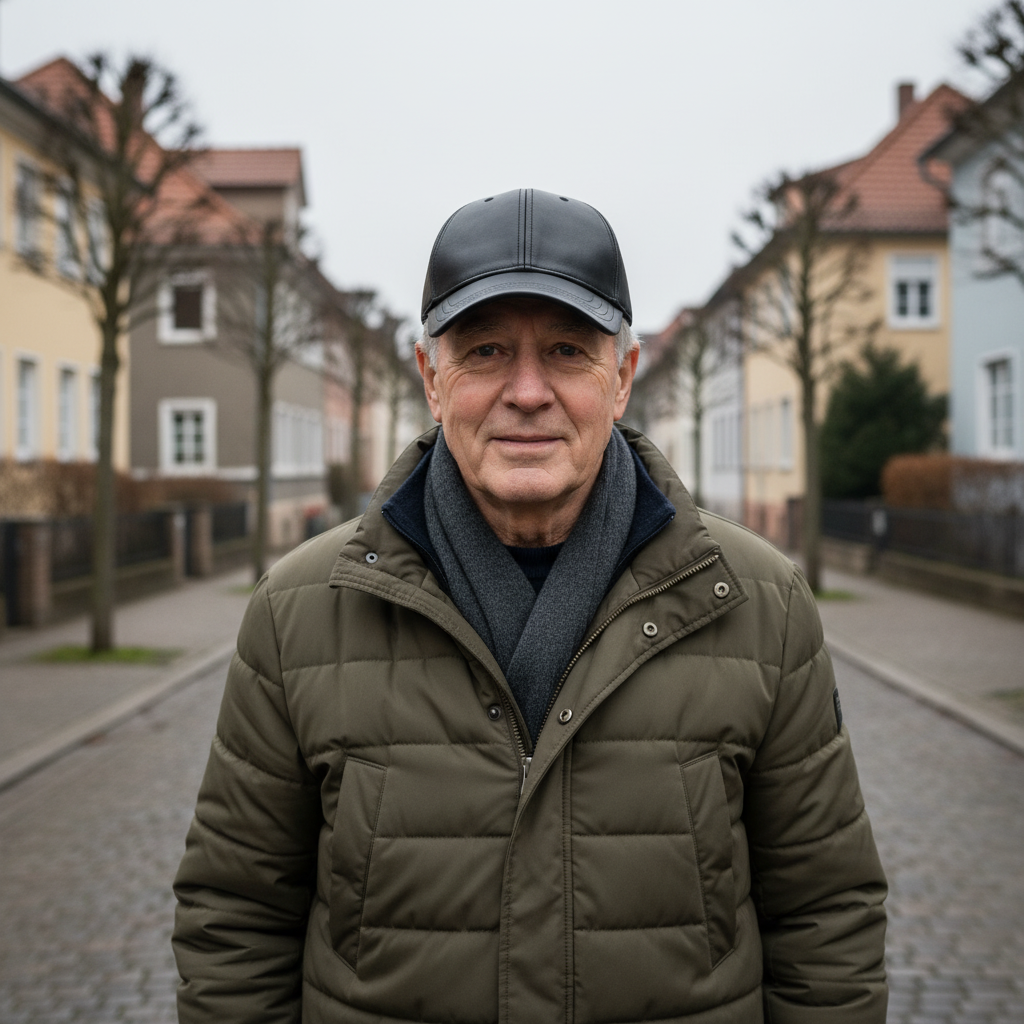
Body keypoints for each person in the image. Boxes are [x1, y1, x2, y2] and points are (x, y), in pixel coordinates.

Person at [173, 188, 888, 1024]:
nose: (526, 391)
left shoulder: (761, 605)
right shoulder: (298, 614)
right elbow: (237, 921)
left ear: (622, 377)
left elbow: (825, 917)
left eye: (565, 350)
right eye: (482, 351)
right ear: (431, 380)